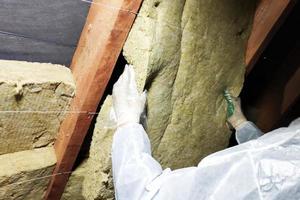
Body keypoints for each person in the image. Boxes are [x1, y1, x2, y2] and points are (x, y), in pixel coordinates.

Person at [111, 65, 300, 200]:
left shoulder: (281, 178)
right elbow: (281, 155)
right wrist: (243, 126)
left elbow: (145, 196)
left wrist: (128, 127)